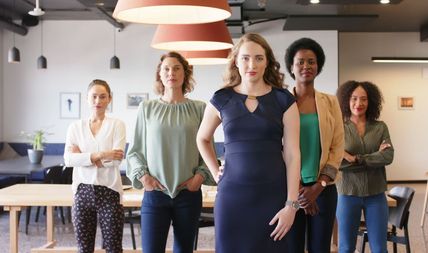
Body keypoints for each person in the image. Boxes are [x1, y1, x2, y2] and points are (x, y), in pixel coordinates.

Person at [196, 33, 301, 253]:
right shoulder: (221, 99)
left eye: (258, 58)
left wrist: (291, 205)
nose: (251, 64)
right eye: (245, 58)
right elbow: (202, 138)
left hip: (273, 196)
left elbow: (292, 154)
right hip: (231, 198)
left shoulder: (284, 100)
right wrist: (216, 172)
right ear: (235, 61)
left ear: (267, 62)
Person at [126, 51, 213, 253]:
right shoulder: (146, 108)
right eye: (166, 68)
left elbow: (208, 149)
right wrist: (144, 177)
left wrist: (199, 178)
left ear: (185, 74)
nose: (171, 72)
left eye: (176, 68)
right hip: (155, 193)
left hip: (188, 194)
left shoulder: (199, 108)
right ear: (160, 74)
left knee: (184, 250)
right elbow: (135, 150)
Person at [284, 38, 344, 253]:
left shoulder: (330, 102)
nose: (306, 66)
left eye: (311, 62)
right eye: (300, 62)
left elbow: (337, 147)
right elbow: (276, 146)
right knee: (292, 247)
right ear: (291, 66)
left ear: (318, 66)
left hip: (324, 189)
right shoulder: (281, 101)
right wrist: (301, 190)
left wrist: (318, 187)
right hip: (290, 190)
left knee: (320, 248)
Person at [64, 79, 126, 253]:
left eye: (102, 97)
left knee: (114, 248)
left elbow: (116, 160)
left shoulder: (117, 125)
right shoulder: (75, 127)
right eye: (94, 96)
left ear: (109, 99)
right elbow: (69, 160)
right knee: (84, 249)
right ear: (87, 99)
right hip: (82, 192)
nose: (98, 101)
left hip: (110, 192)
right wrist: (100, 155)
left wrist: (83, 157)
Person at [335, 80, 394, 253]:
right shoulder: (339, 127)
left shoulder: (380, 127)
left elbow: (388, 156)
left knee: (379, 249)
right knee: (346, 248)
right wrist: (374, 157)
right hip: (347, 194)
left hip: (376, 195)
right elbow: (337, 162)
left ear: (371, 101)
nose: (358, 104)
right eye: (353, 99)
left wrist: (356, 159)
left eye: (364, 99)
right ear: (346, 100)